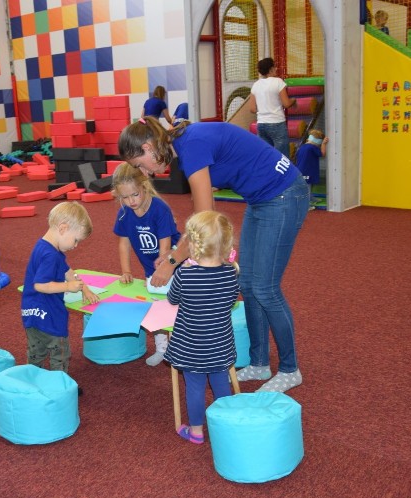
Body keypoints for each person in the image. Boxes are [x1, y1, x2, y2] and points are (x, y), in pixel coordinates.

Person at [118, 117, 309, 393]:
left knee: (266, 289)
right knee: (248, 285)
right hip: (262, 200)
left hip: (283, 195)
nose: (144, 173)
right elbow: (202, 208)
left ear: (148, 147)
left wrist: (172, 261)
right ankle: (259, 362)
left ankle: (290, 369)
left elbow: (204, 220)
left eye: (139, 165)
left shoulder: (191, 145)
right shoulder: (184, 146)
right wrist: (177, 252)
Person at [164, 211, 239, 444]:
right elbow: (232, 301)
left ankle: (196, 431)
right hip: (220, 344)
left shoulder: (185, 275)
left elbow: (172, 299)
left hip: (191, 346)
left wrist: (185, 269)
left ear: (193, 246)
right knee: (220, 383)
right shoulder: (231, 273)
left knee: (194, 388)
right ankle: (225, 424)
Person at [21, 202, 101, 386]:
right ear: (63, 228)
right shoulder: (51, 255)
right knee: (60, 354)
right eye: (76, 240)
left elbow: (67, 271)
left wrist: (84, 287)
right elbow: (40, 285)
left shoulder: (44, 247)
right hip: (49, 316)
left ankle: (32, 383)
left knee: (36, 352)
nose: (75, 245)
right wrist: (68, 287)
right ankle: (59, 387)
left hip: (31, 314)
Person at [111, 163, 181, 366]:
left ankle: (181, 346)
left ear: (144, 187)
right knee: (156, 307)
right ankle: (162, 348)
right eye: (124, 197)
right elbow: (124, 243)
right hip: (151, 268)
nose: (130, 201)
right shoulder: (124, 213)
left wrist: (163, 272)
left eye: (134, 195)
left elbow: (165, 245)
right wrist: (126, 271)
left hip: (174, 265)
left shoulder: (160, 208)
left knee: (176, 306)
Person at [249, 57, 295, 157]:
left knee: (267, 156)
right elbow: (286, 104)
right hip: (276, 123)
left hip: (261, 125)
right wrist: (293, 101)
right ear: (270, 69)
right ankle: (283, 173)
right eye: (274, 67)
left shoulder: (256, 85)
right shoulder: (278, 82)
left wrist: (264, 108)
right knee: (282, 157)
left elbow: (252, 109)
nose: (276, 69)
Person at [293, 128, 329, 195]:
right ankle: (308, 201)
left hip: (300, 170)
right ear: (318, 142)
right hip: (307, 171)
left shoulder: (302, 146)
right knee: (307, 186)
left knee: (305, 185)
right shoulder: (312, 147)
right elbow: (322, 154)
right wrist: (324, 144)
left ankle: (310, 197)